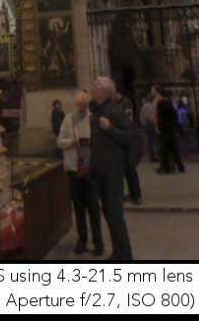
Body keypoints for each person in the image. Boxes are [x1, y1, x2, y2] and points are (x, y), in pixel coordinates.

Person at [89, 76, 134, 261]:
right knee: (108, 214)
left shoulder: (114, 110)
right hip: (100, 169)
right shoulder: (97, 110)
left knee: (115, 215)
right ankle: (117, 253)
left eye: (96, 85)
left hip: (112, 171)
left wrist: (109, 128)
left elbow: (129, 137)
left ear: (104, 91)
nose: (92, 88)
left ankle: (126, 256)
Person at [57, 90, 104, 257]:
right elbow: (59, 142)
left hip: (91, 168)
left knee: (93, 207)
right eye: (79, 106)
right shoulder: (68, 120)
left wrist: (92, 143)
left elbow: (102, 142)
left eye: (84, 106)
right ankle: (82, 239)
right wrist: (71, 142)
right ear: (75, 105)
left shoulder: (93, 119)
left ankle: (98, 242)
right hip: (73, 168)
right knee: (78, 207)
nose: (82, 108)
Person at [113, 89, 142, 206]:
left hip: (128, 139)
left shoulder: (125, 102)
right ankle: (132, 193)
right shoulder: (116, 103)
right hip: (122, 139)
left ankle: (136, 195)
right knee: (126, 170)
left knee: (130, 169)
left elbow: (127, 118)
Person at [155, 86, 185, 174]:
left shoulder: (161, 104)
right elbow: (174, 115)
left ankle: (164, 168)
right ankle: (180, 167)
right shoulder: (169, 103)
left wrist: (158, 127)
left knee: (163, 150)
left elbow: (160, 117)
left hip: (165, 130)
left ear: (160, 95)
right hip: (171, 128)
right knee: (174, 150)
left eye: (157, 95)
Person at [139, 91, 158, 162]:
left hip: (147, 125)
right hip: (149, 125)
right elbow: (150, 118)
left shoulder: (146, 106)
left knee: (151, 141)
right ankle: (153, 156)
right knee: (152, 141)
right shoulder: (148, 106)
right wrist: (155, 123)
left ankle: (153, 156)